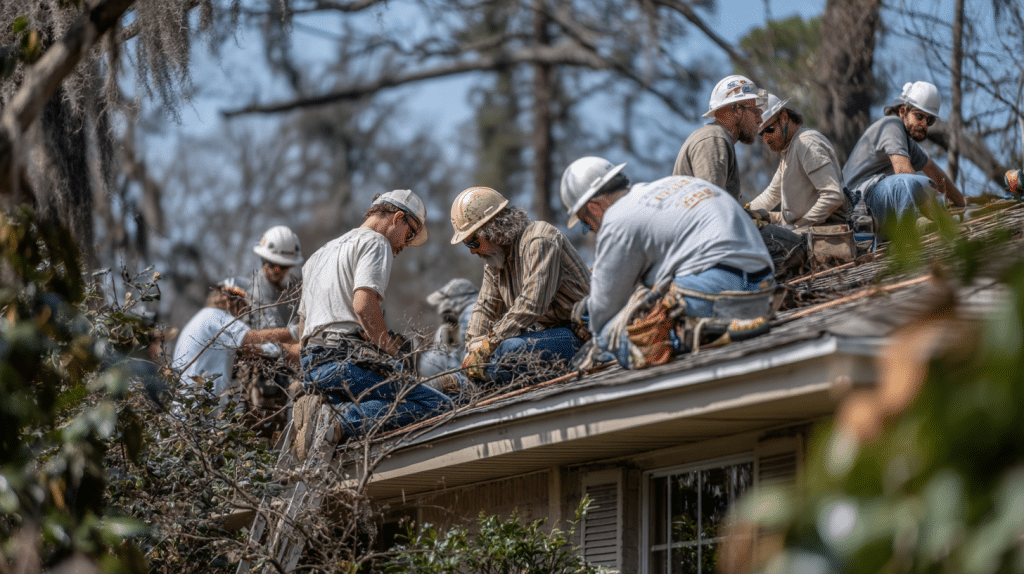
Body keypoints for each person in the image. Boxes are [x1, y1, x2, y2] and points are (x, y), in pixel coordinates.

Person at [560, 157, 775, 365]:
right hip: (764, 287)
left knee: (609, 338)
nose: (592, 231)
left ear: (594, 207)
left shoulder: (617, 219)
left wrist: (593, 333)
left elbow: (603, 313)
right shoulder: (674, 186)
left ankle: (697, 331)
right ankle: (710, 324)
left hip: (716, 294)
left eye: (586, 224)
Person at [295, 190, 452, 437]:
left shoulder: (318, 256)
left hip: (311, 368)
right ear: (398, 218)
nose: (405, 245)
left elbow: (302, 328)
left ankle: (327, 415)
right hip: (343, 364)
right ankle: (333, 424)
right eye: (409, 234)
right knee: (439, 404)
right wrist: (392, 353)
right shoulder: (376, 242)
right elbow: (364, 304)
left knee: (376, 405)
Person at [450, 186, 590, 388]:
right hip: (552, 335)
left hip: (582, 334)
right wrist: (473, 347)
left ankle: (467, 383)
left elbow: (532, 304)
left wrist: (488, 345)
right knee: (496, 353)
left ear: (493, 230)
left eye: (472, 243)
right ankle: (472, 380)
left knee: (509, 350)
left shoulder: (540, 240)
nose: (473, 252)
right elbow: (486, 306)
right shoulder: (495, 259)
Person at [843, 81, 966, 232]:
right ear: (902, 111)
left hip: (874, 205)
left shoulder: (908, 143)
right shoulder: (891, 125)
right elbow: (903, 171)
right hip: (856, 204)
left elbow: (934, 172)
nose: (924, 124)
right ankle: (913, 227)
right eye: (919, 116)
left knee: (920, 185)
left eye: (930, 120)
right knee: (909, 183)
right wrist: (941, 217)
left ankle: (912, 224)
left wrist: (961, 203)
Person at [172, 279, 298, 414]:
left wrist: (281, 350)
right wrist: (293, 332)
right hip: (197, 407)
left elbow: (248, 349)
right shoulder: (215, 317)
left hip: (192, 406)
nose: (243, 313)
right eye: (244, 306)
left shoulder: (205, 319)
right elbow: (253, 337)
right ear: (233, 301)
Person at [749, 94, 849, 228]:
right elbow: (772, 195)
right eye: (761, 135)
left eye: (769, 130)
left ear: (784, 118)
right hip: (806, 231)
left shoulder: (806, 143)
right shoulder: (789, 150)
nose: (766, 140)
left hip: (824, 232)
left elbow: (833, 196)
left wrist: (798, 227)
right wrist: (744, 212)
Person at [673, 74, 767, 199]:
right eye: (756, 111)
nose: (760, 119)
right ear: (738, 110)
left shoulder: (716, 138)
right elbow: (710, 203)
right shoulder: (714, 139)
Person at [417, 278, 479, 380]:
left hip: (477, 375)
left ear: (458, 299)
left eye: (446, 300)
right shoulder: (472, 312)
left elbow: (472, 364)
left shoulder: (470, 313)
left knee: (432, 360)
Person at [248, 225, 303, 332]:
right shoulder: (256, 290)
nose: (277, 270)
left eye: (283, 266)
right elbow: (269, 331)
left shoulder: (296, 285)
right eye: (272, 263)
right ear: (263, 259)